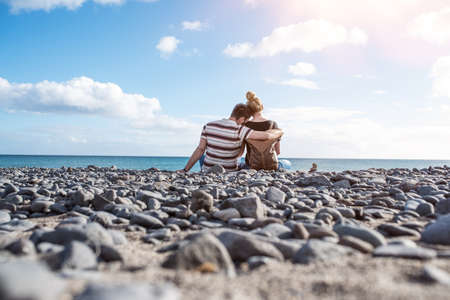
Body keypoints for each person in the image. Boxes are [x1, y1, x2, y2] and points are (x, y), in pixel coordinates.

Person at [181, 103, 283, 172]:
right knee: (242, 163)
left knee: (202, 156)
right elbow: (267, 136)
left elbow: (200, 149)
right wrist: (279, 131)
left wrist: (185, 170)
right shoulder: (241, 130)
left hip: (208, 168)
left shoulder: (208, 125)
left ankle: (206, 171)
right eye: (245, 121)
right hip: (229, 170)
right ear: (242, 119)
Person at [243, 91, 282, 170]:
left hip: (252, 165)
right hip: (271, 165)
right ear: (262, 107)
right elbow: (278, 152)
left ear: (249, 111)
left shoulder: (245, 126)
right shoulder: (273, 124)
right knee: (284, 163)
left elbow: (240, 150)